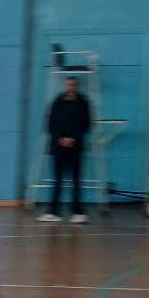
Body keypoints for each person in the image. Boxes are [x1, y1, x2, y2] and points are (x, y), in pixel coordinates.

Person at [39, 77, 93, 224]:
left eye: (73, 85)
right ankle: (54, 212)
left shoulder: (83, 102)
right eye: (68, 84)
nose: (70, 87)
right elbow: (50, 123)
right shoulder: (57, 102)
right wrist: (61, 138)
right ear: (65, 86)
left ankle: (78, 212)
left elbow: (86, 124)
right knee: (58, 179)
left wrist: (73, 138)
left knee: (77, 180)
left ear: (77, 86)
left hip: (76, 147)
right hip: (58, 147)